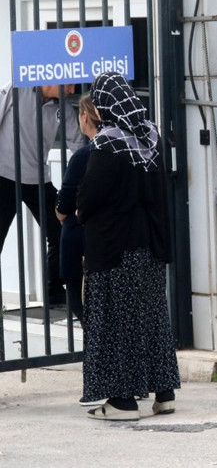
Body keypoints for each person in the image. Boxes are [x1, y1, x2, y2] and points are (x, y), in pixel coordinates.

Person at [77, 72, 180, 420]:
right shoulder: (150, 136)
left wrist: (78, 208)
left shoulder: (107, 142)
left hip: (115, 246)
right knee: (150, 317)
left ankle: (122, 402)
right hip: (149, 244)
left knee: (117, 321)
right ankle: (163, 394)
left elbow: (91, 195)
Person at [0, 83, 82, 305]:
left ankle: (53, 289)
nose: (73, 91)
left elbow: (78, 143)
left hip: (38, 179)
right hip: (4, 175)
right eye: (71, 84)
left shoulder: (63, 108)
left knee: (61, 231)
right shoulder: (16, 89)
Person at [55, 94, 101, 323]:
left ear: (84, 116)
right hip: (110, 241)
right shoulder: (121, 152)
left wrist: (64, 214)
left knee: (80, 304)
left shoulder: (83, 155)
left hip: (80, 239)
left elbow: (64, 204)